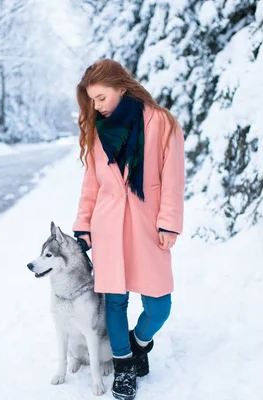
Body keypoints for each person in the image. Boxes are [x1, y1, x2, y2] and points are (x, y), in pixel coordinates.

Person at [72, 58, 185, 400]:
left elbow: (172, 179)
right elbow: (91, 183)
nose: (96, 105)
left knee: (159, 305)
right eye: (92, 99)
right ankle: (123, 367)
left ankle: (139, 344)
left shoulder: (161, 123)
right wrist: (83, 226)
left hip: (148, 225)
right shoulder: (96, 130)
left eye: (101, 97)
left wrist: (169, 222)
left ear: (121, 88)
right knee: (116, 301)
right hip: (107, 225)